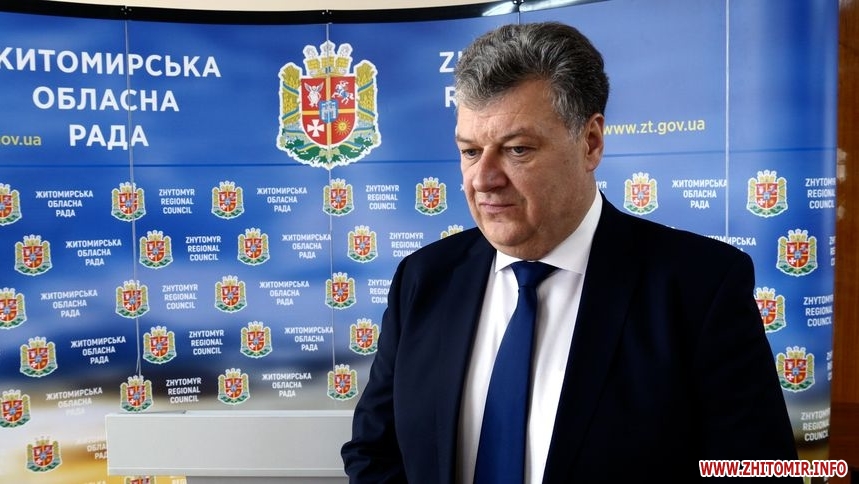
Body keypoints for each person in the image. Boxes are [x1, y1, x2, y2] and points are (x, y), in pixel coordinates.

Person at [341, 21, 799, 483]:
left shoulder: (701, 287)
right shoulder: (424, 278)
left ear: (590, 142)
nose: (483, 179)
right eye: (471, 151)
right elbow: (374, 450)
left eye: (517, 149)